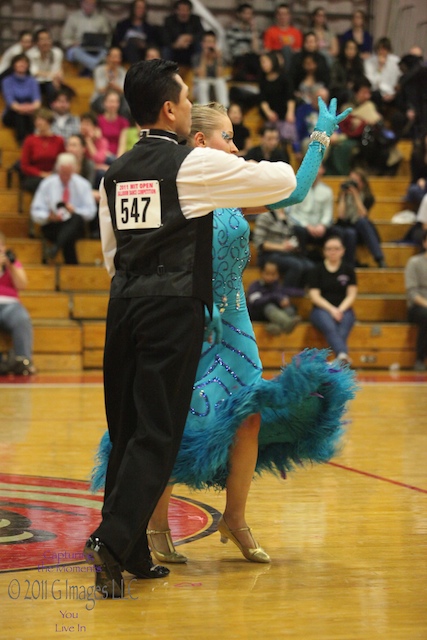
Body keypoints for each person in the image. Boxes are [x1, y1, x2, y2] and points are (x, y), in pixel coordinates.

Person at [82, 58, 351, 597]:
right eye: (183, 99)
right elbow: (280, 180)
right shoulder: (191, 166)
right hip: (173, 311)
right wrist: (302, 144)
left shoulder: (115, 172)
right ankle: (112, 541)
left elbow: (115, 255)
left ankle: (132, 547)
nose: (186, 105)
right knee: (157, 434)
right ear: (171, 110)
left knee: (134, 429)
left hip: (125, 307)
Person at [30, 153, 97, 264]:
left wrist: (74, 210)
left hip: (75, 225)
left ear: (74, 170)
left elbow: (91, 212)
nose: (65, 177)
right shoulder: (47, 184)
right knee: (68, 236)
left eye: (68, 173)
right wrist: (48, 217)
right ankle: (66, 259)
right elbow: (35, 210)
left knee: (75, 219)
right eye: (63, 173)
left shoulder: (83, 185)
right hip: (53, 225)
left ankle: (55, 248)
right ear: (58, 170)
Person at [307, 234, 357, 366]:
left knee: (344, 326)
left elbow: (351, 294)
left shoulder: (348, 269)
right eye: (329, 249)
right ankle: (342, 355)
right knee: (329, 326)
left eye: (336, 248)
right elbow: (314, 296)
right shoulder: (316, 270)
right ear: (324, 251)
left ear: (343, 251)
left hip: (344, 309)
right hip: (321, 309)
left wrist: (340, 309)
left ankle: (339, 358)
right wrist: (332, 309)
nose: (332, 252)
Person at [0, 232, 36, 376]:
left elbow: (22, 285)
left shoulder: (12, 262)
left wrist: (11, 266)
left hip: (11, 305)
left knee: (22, 319)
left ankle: (24, 361)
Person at [335, 168, 386, 268]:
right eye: (350, 179)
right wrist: (343, 196)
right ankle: (350, 265)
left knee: (363, 222)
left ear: (362, 183)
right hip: (347, 226)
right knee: (350, 233)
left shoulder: (368, 197)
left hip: (360, 227)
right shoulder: (344, 195)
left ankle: (379, 258)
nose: (352, 183)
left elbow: (363, 214)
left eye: (355, 181)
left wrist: (355, 195)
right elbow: (341, 215)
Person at [287, 164, 334, 257]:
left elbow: (328, 213)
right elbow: (290, 214)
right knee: (299, 231)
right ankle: (303, 259)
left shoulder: (327, 191)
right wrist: (306, 225)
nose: (315, 170)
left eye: (318, 167)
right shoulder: (296, 189)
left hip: (319, 228)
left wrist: (322, 225)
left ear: (323, 171)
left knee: (338, 232)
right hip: (302, 227)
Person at [247, 260, 301, 335]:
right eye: (267, 274)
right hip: (259, 314)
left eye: (273, 274)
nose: (270, 277)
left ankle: (274, 326)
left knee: (290, 309)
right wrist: (273, 297)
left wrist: (284, 299)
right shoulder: (255, 286)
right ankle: (287, 323)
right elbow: (255, 302)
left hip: (275, 315)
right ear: (261, 273)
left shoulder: (276, 286)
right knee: (269, 307)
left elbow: (287, 291)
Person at [19, 108, 65, 193]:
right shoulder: (30, 140)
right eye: (36, 120)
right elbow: (25, 165)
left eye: (41, 119)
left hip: (54, 175)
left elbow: (62, 161)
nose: (38, 122)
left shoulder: (59, 140)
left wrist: (53, 173)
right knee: (42, 183)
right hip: (34, 177)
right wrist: (41, 174)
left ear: (49, 122)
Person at [61, 0, 111, 74]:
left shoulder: (101, 19)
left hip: (96, 49)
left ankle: (90, 68)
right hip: (79, 48)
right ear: (81, 4)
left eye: (92, 4)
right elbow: (64, 39)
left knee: (106, 53)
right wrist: (73, 43)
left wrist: (102, 43)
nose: (89, 6)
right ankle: (96, 66)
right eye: (87, 4)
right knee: (73, 52)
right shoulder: (73, 18)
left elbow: (107, 39)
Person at [1, 54, 41, 144]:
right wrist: (22, 108)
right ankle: (24, 143)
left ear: (28, 65)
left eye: (24, 62)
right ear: (14, 64)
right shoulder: (7, 81)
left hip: (29, 112)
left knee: (30, 117)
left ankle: (30, 143)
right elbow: (10, 102)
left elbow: (37, 102)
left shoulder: (32, 81)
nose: (22, 64)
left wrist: (28, 108)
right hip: (11, 114)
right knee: (19, 115)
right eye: (19, 62)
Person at [257, 51, 296, 145]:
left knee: (287, 138)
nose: (263, 65)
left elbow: (290, 96)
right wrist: (268, 112)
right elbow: (262, 99)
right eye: (262, 62)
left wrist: (290, 113)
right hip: (270, 117)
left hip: (284, 114)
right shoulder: (262, 79)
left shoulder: (285, 77)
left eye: (265, 62)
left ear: (273, 61)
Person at [404, 229, 427, 371]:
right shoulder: (414, 262)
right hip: (418, 306)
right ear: (424, 243)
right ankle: (420, 358)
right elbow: (412, 293)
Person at [162, 0, 204, 69]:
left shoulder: (195, 19)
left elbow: (201, 34)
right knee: (166, 50)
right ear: (176, 11)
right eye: (181, 10)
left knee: (199, 47)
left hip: (190, 47)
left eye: (186, 10)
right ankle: (166, 72)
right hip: (175, 48)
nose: (183, 13)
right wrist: (175, 45)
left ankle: (197, 72)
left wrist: (190, 37)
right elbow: (164, 37)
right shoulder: (169, 20)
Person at [27, 28, 64, 104]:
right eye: (42, 40)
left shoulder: (57, 53)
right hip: (34, 82)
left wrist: (55, 77)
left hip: (50, 81)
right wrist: (51, 75)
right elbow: (33, 72)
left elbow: (56, 70)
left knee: (53, 88)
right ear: (36, 42)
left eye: (48, 39)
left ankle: (51, 112)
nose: (46, 42)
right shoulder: (30, 54)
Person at [192, 31, 229, 107]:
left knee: (220, 82)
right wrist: (204, 58)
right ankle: (204, 109)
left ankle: (225, 108)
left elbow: (219, 76)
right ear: (203, 44)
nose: (209, 45)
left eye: (212, 42)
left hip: (214, 85)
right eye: (207, 42)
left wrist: (218, 58)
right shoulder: (196, 57)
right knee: (203, 84)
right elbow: (201, 76)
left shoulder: (218, 57)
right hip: (199, 87)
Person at [225, 2, 261, 81]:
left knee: (259, 59)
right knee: (245, 59)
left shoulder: (252, 30)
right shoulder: (232, 29)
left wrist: (254, 30)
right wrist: (244, 52)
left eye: (250, 14)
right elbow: (231, 48)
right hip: (238, 57)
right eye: (246, 13)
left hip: (251, 57)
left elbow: (256, 49)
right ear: (239, 14)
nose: (248, 16)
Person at [90, 47, 128, 116]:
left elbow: (124, 90)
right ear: (108, 57)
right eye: (114, 57)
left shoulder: (122, 71)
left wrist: (114, 86)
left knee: (126, 104)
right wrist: (109, 85)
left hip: (117, 99)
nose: (116, 60)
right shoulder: (99, 70)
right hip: (101, 97)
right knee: (103, 104)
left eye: (118, 57)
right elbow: (100, 89)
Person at [97, 89, 130, 157]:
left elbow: (122, 144)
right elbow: (99, 142)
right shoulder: (98, 121)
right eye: (111, 102)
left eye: (116, 102)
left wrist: (117, 160)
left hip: (117, 156)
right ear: (104, 103)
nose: (113, 105)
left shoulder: (123, 122)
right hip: (103, 155)